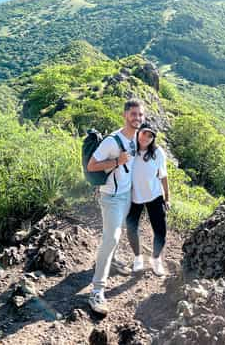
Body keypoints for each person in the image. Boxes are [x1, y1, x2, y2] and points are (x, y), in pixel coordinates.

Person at [85, 98, 145, 315]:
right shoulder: (112, 141)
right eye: (133, 114)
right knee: (111, 238)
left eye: (140, 115)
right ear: (125, 115)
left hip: (127, 195)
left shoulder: (136, 138)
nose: (137, 118)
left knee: (118, 233)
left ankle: (114, 259)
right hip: (111, 197)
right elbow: (92, 166)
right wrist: (116, 162)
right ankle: (97, 291)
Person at [126, 122, 170, 277]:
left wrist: (167, 198)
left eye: (150, 135)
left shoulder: (158, 153)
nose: (146, 137)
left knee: (160, 231)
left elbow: (163, 176)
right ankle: (138, 257)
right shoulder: (130, 149)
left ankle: (156, 259)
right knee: (131, 228)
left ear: (153, 139)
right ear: (138, 133)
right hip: (134, 196)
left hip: (154, 195)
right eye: (144, 133)